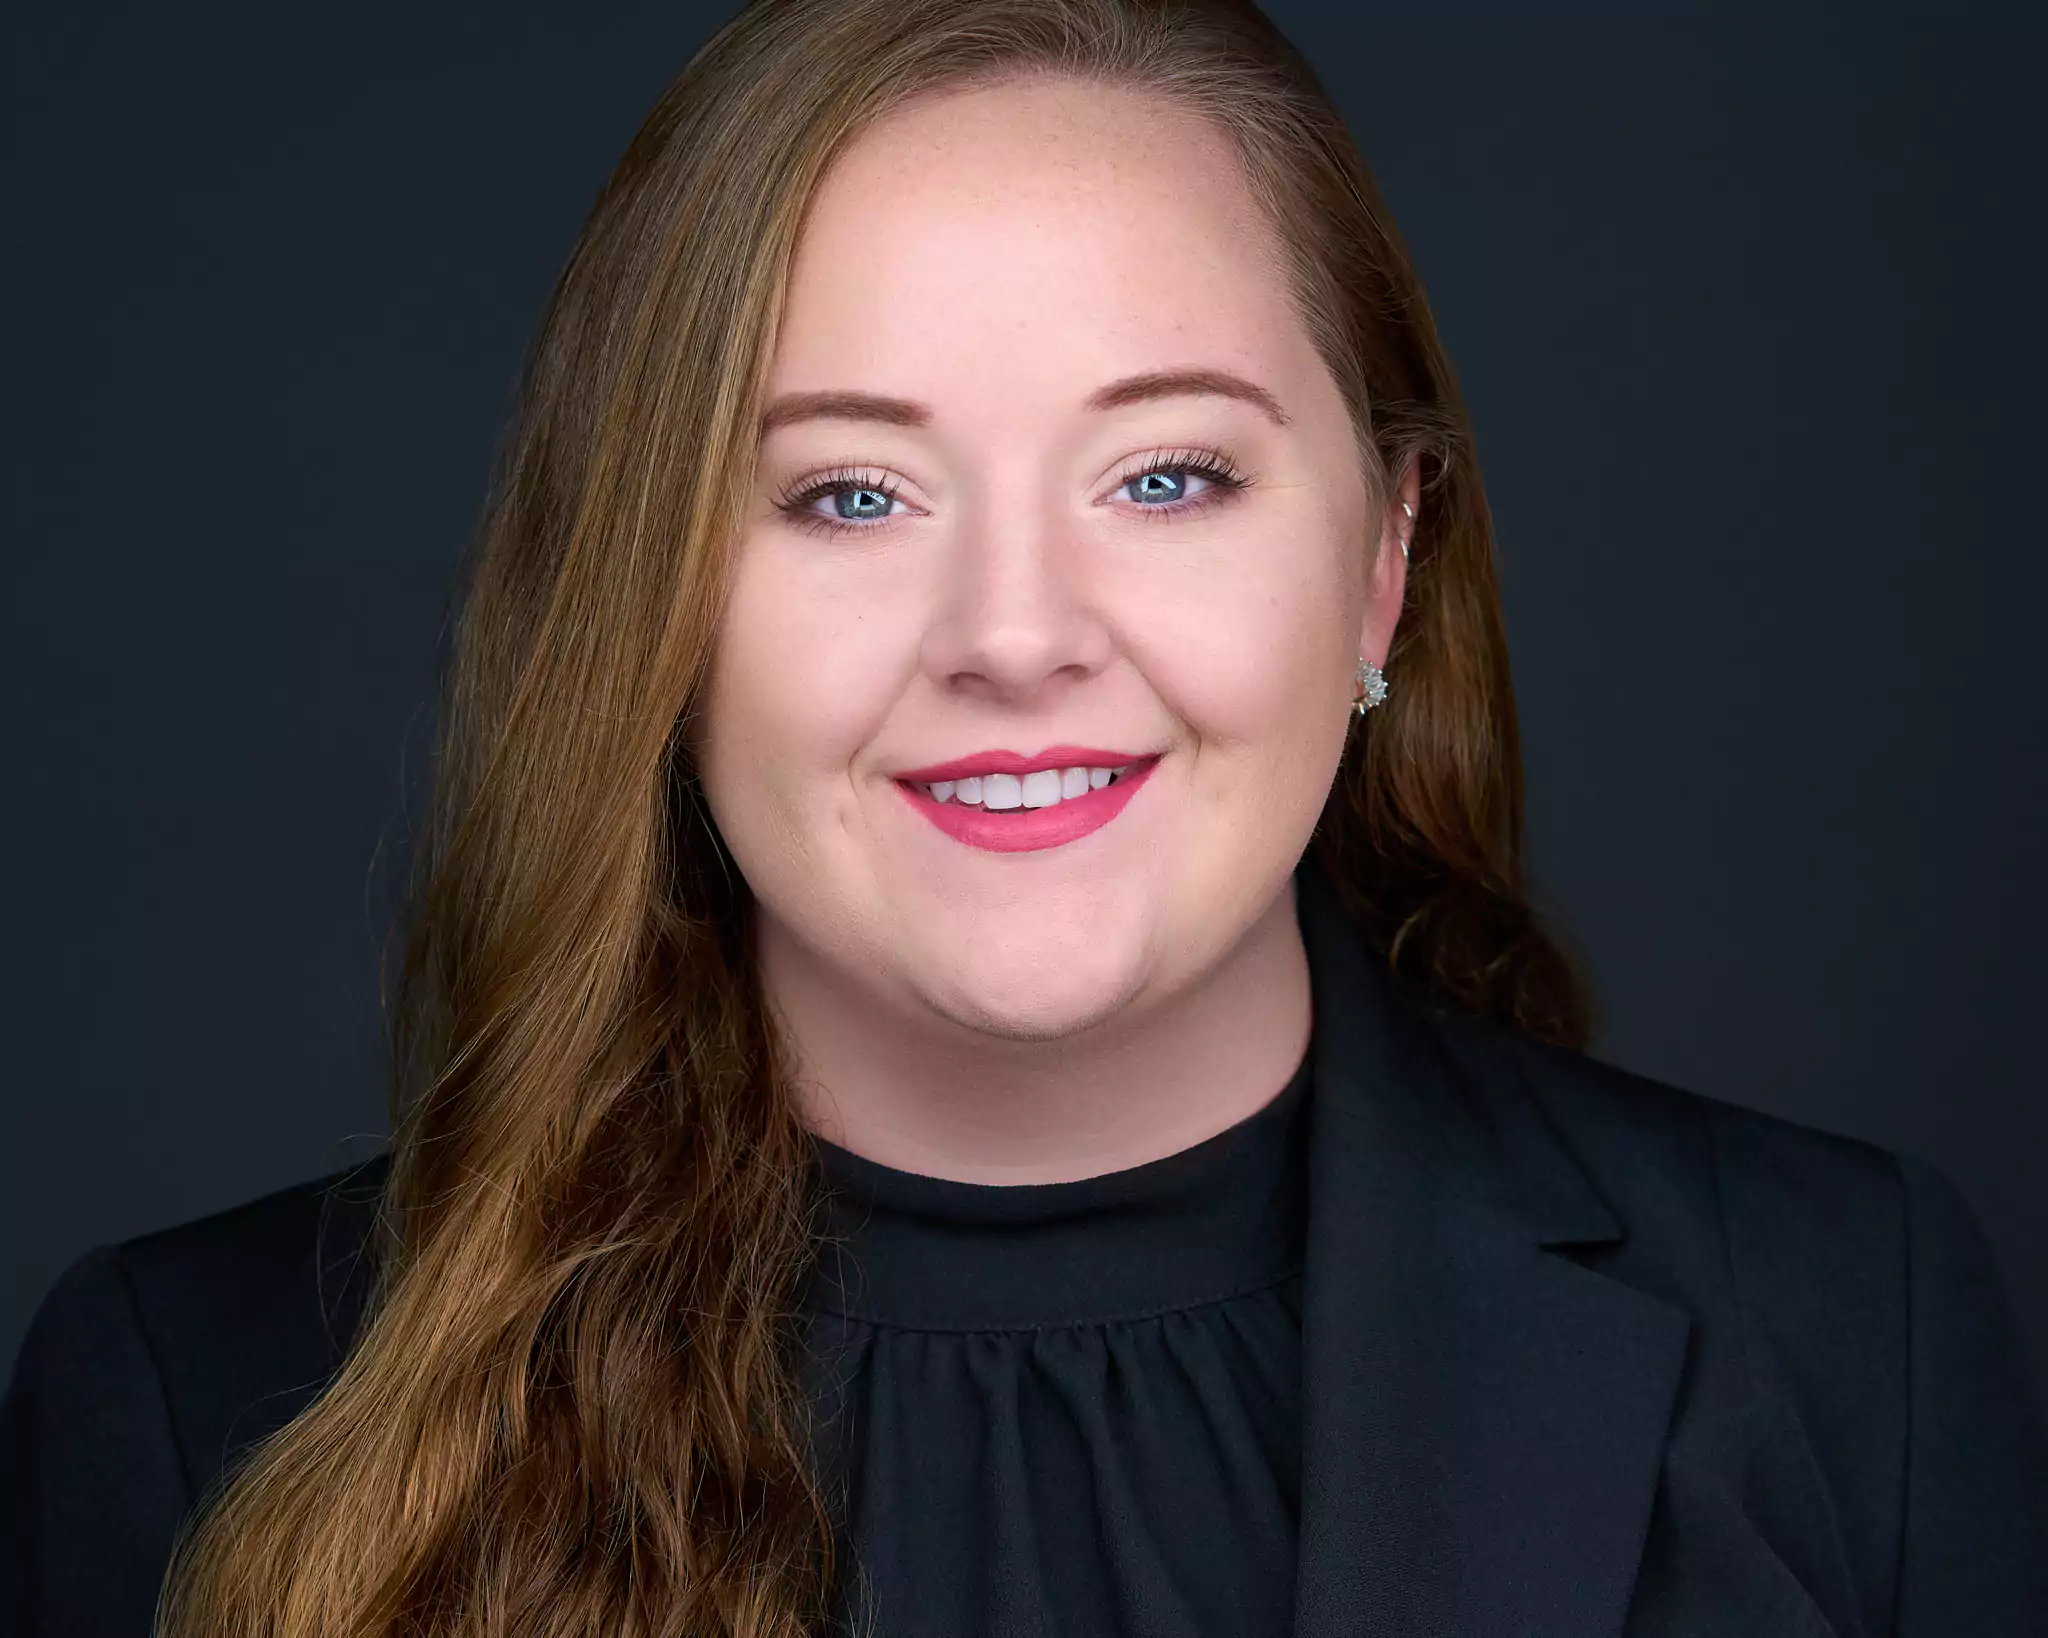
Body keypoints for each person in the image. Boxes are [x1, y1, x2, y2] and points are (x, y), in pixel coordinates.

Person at [6, 0, 2045, 1632]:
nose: (1012, 635)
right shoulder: (197, 1408)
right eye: (846, 495)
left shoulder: (1838, 1328)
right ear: (656, 607)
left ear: (1383, 564)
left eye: (1165, 477)